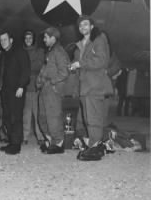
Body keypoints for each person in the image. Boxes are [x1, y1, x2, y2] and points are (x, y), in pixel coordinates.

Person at [70, 15, 113, 150]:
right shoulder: (80, 44)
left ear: (92, 26)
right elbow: (79, 66)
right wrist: (72, 66)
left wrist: (80, 63)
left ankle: (95, 148)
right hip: (84, 87)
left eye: (86, 24)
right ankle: (93, 145)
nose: (83, 27)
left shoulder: (99, 39)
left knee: (94, 119)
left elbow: (102, 61)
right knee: (88, 119)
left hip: (95, 86)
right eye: (80, 25)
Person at [36, 27, 70, 154]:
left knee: (53, 117)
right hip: (45, 89)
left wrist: (53, 82)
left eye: (46, 37)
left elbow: (64, 71)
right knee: (43, 117)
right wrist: (39, 81)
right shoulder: (50, 52)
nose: (44, 40)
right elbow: (45, 69)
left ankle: (58, 143)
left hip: (52, 90)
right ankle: (50, 141)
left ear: (53, 38)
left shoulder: (59, 52)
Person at [0, 31, 31, 155]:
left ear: (11, 40)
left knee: (15, 117)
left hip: (17, 91)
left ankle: (16, 144)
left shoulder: (20, 52)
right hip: (5, 91)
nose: (3, 42)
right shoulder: (2, 55)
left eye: (5, 39)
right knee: (6, 117)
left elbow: (26, 70)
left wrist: (21, 86)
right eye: (1, 40)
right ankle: (11, 142)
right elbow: (0, 74)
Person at [22, 30, 45, 145]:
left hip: (36, 86)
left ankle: (40, 137)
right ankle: (24, 136)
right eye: (26, 38)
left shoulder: (39, 51)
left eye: (30, 38)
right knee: (25, 113)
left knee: (37, 113)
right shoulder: (21, 52)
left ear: (34, 39)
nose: (28, 40)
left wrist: (25, 67)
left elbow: (39, 66)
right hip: (25, 87)